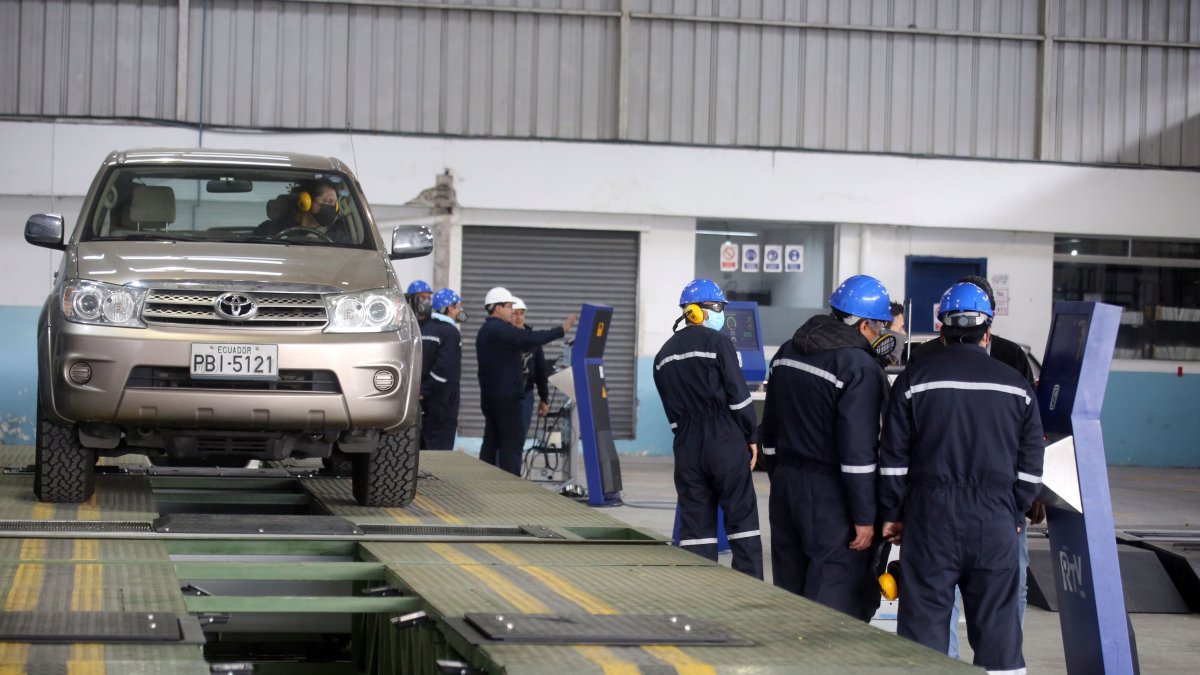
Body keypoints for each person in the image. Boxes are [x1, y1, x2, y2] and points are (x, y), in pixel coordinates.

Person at [879, 282, 1045, 675]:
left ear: (942, 330)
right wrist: (1015, 508)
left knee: (926, 633)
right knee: (999, 633)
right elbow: (1032, 462)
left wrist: (894, 512)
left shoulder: (914, 381)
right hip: (995, 521)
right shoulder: (1017, 387)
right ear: (987, 332)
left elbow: (893, 461)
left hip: (929, 519)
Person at [757, 274, 894, 618]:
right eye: (881, 326)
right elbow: (858, 452)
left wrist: (782, 481)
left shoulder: (788, 351)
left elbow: (769, 431)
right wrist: (864, 516)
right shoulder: (858, 367)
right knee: (832, 604)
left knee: (791, 596)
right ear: (864, 325)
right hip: (832, 497)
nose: (883, 334)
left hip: (786, 488)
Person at [652, 278, 763, 579]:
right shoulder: (718, 343)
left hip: (687, 445)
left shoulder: (663, 355)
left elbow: (672, 415)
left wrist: (687, 435)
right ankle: (750, 592)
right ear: (695, 311)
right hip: (724, 440)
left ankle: (698, 591)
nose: (721, 315)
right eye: (717, 308)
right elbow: (739, 399)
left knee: (695, 528)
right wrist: (751, 435)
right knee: (742, 521)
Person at [476, 287, 577, 476]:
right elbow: (528, 337)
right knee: (511, 443)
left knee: (491, 440)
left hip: (491, 397)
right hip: (506, 399)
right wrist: (560, 330)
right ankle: (510, 484)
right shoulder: (499, 330)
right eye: (509, 307)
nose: (511, 312)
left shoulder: (485, 331)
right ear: (497, 308)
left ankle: (486, 478)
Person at [419, 288, 466, 451]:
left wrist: (421, 390)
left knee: (426, 440)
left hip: (425, 398)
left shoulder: (426, 328)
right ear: (450, 308)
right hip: (442, 398)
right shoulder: (451, 332)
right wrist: (426, 390)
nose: (460, 311)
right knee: (440, 444)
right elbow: (444, 369)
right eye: (458, 306)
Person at [255, 179, 349, 243]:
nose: (333, 208)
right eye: (328, 201)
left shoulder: (337, 237)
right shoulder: (270, 229)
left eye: (334, 203)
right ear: (305, 201)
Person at [510, 297, 551, 442]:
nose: (519, 317)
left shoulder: (532, 340)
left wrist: (544, 398)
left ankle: (513, 465)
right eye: (515, 313)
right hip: (504, 396)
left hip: (525, 395)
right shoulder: (501, 337)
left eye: (522, 313)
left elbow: (541, 371)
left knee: (519, 437)